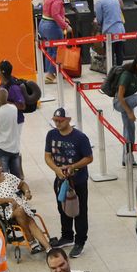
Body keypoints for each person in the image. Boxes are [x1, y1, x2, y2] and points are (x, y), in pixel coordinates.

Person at [0, 156, 54, 254]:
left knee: (28, 219)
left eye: (0, 166)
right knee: (22, 213)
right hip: (1, 210)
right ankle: (33, 240)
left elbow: (22, 184)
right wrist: (8, 200)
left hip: (18, 204)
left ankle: (46, 247)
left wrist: (27, 192)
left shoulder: (7, 176)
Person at [44, 107, 93, 258]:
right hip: (60, 181)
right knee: (62, 208)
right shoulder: (51, 135)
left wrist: (73, 167)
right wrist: (57, 170)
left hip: (77, 181)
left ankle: (80, 241)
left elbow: (89, 158)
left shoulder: (80, 137)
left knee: (79, 211)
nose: (57, 124)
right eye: (55, 121)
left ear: (68, 120)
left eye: (60, 121)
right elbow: (47, 156)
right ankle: (67, 236)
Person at [113, 54, 137, 162]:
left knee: (129, 130)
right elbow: (120, 96)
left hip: (128, 101)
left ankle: (127, 159)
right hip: (119, 102)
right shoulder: (127, 75)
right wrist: (130, 112)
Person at [38, 0, 71, 83]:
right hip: (52, 27)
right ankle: (50, 74)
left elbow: (50, 12)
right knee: (57, 50)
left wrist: (63, 18)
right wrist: (65, 26)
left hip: (43, 24)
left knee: (50, 50)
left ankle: (49, 73)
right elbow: (55, 15)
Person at [93, 0, 126, 66]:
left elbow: (99, 19)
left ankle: (111, 72)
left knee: (110, 52)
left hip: (109, 31)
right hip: (120, 29)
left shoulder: (99, 1)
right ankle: (119, 70)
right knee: (119, 52)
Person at [0, 88, 22, 178]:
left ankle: (6, 191)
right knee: (16, 174)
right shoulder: (14, 109)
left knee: (3, 174)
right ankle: (18, 190)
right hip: (14, 147)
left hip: (2, 147)